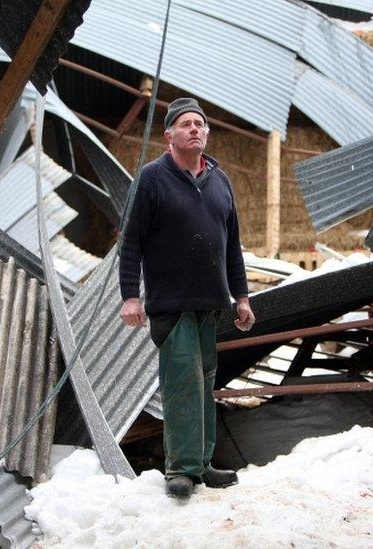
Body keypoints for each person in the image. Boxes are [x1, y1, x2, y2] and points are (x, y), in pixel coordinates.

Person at [119, 97, 255, 498]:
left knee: (204, 384)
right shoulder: (152, 178)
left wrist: (242, 297)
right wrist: (131, 296)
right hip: (171, 303)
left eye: (200, 124)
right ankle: (180, 468)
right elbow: (131, 242)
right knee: (181, 383)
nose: (195, 129)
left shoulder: (220, 180)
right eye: (186, 124)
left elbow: (233, 247)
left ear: (207, 133)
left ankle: (203, 463)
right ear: (169, 135)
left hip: (211, 303)